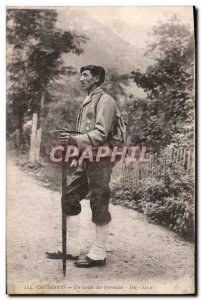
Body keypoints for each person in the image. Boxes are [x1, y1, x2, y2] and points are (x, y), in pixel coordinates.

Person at [47, 65, 116, 268]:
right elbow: (84, 135)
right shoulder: (88, 101)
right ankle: (72, 249)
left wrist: (74, 139)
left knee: (99, 200)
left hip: (102, 158)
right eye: (81, 75)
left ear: (96, 78)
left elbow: (101, 134)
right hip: (87, 157)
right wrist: (77, 150)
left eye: (85, 75)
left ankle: (99, 253)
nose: (81, 79)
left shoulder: (105, 100)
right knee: (69, 197)